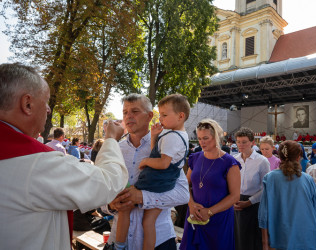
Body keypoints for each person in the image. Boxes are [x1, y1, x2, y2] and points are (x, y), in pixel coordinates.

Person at [0, 62, 128, 249]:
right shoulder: (36, 163)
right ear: (27, 104)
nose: (48, 110)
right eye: (46, 102)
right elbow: (109, 182)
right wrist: (110, 139)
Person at [101, 93, 189, 250]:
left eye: (135, 111)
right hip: (118, 241)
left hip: (159, 242)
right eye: (125, 112)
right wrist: (110, 204)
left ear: (149, 116)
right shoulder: (115, 149)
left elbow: (183, 194)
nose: (129, 116)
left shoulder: (165, 145)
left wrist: (142, 197)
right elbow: (100, 192)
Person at [180, 119, 241, 250]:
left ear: (217, 137)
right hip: (194, 215)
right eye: (199, 138)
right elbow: (185, 184)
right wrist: (191, 204)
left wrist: (209, 212)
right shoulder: (195, 158)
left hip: (219, 219)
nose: (201, 142)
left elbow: (235, 196)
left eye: (206, 138)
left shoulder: (229, 162)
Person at [258, 140, 316, 250]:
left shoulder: (270, 178)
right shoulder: (307, 179)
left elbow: (264, 214)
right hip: (306, 237)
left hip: (279, 237)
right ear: (299, 157)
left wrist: (265, 242)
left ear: (279, 156)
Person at [233, 127, 270, 250]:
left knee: (252, 240)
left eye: (244, 142)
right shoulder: (234, 159)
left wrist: (249, 202)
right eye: (238, 141)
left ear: (252, 143)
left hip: (254, 204)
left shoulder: (262, 161)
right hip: (236, 201)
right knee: (237, 238)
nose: (240, 145)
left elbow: (266, 188)